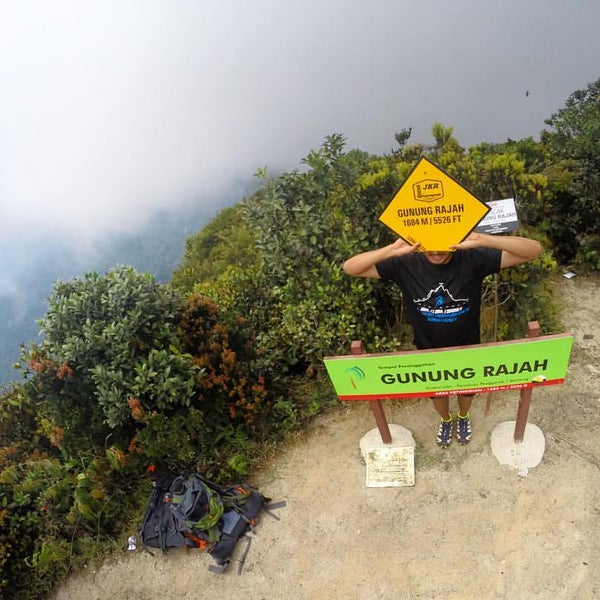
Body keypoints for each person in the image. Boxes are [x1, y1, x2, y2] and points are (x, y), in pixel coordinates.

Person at [342, 232, 542, 448]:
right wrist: (391, 249)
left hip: (467, 345)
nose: (436, 252)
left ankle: (463, 416)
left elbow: (533, 250)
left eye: (442, 245)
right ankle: (446, 419)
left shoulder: (473, 257)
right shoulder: (404, 263)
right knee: (437, 392)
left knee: (468, 389)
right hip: (428, 347)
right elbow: (350, 268)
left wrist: (483, 240)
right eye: (430, 246)